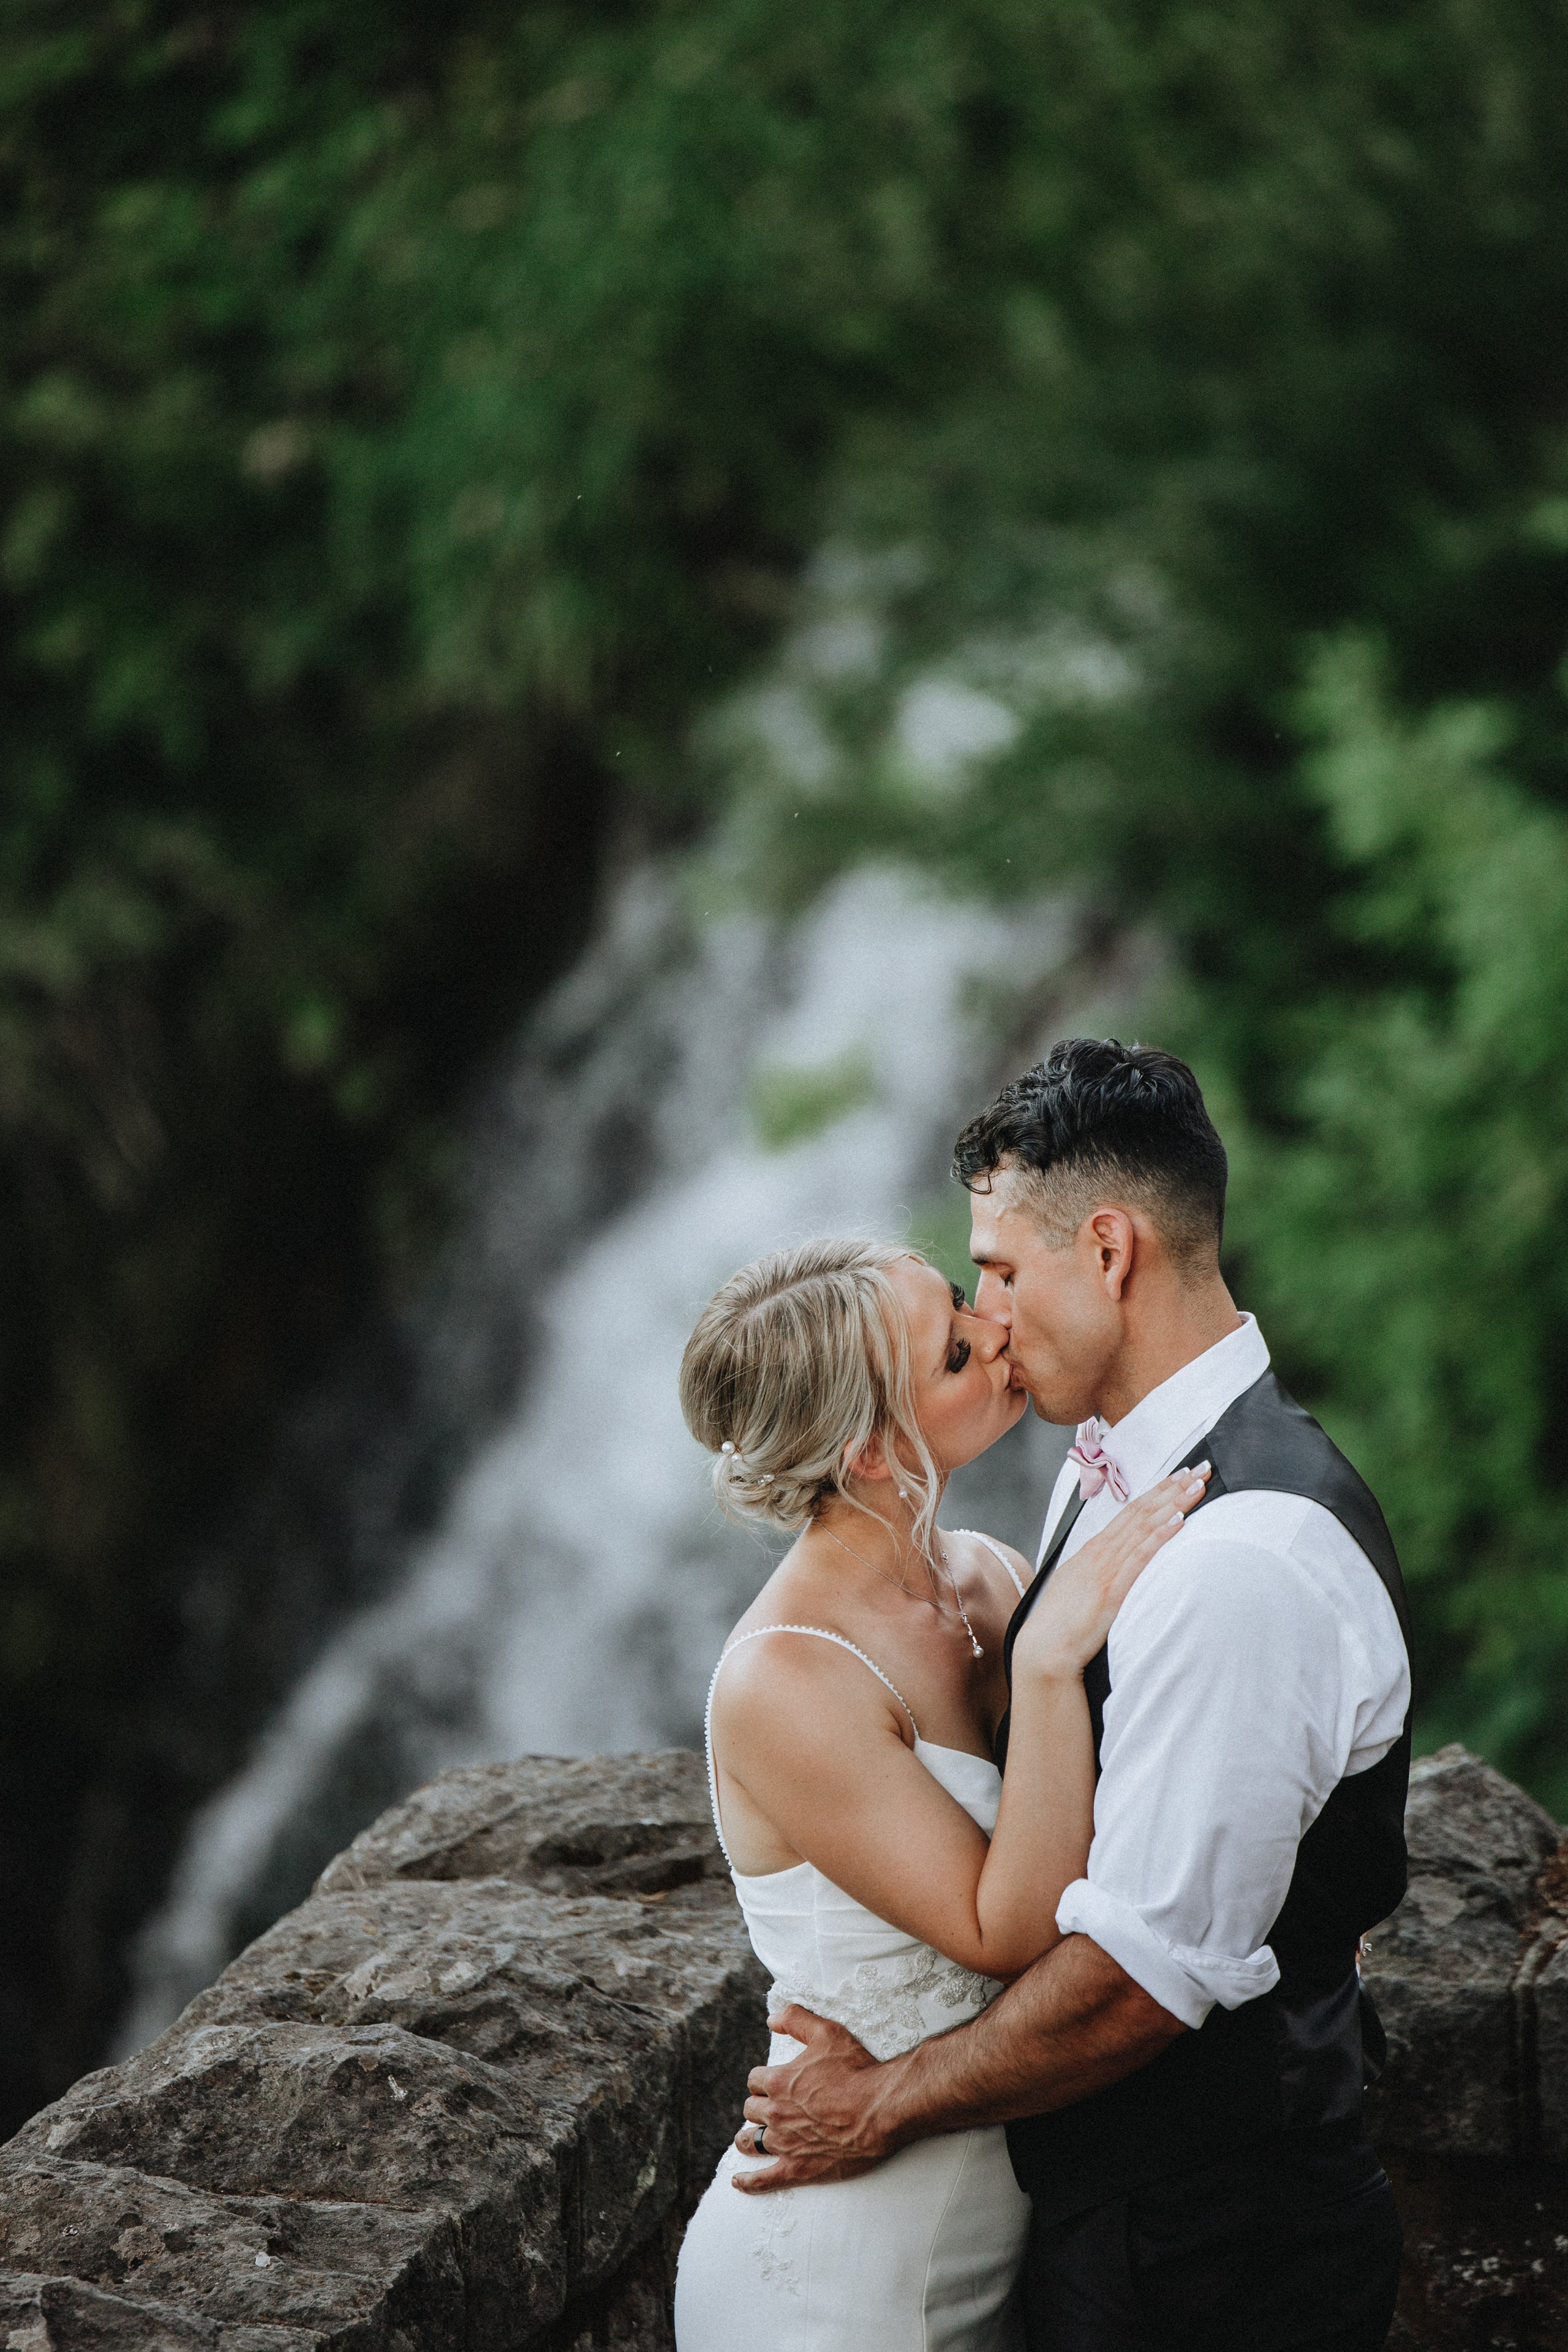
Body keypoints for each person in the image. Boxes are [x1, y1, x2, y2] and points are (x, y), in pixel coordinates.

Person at [733, 1039, 1413, 2352]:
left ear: (1107, 1252)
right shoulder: (1108, 1467)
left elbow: (1133, 1984)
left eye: (997, 1271)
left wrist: (880, 2104)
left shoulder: (1237, 1561)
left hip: (1214, 2255)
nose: (988, 1319)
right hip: (1108, 2223)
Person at [673, 1235, 1213, 2351]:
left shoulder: (990, 1574)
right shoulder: (786, 1678)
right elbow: (1004, 1930)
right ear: (873, 1448)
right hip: (839, 2269)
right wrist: (1049, 1664)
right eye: (956, 1352)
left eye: (964, 1302)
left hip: (997, 2230)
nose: (997, 1328)